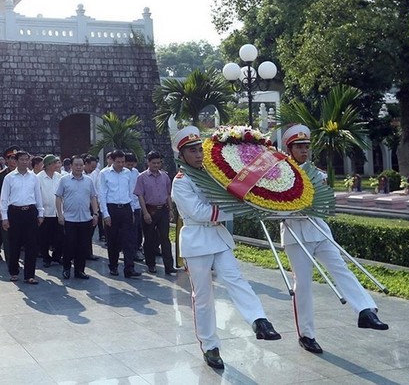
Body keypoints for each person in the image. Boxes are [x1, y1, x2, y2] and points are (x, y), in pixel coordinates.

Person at [172, 126, 281, 370]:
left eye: (200, 149)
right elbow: (199, 212)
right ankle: (210, 346)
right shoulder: (180, 182)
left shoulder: (212, 173)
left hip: (218, 237)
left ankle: (258, 320)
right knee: (203, 297)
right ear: (182, 155)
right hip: (197, 240)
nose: (199, 154)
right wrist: (235, 210)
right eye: (192, 151)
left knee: (235, 278)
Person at [280, 124, 389, 355]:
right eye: (299, 147)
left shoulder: (317, 174)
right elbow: (273, 208)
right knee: (304, 284)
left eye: (306, 146)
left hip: (319, 230)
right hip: (295, 234)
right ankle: (306, 335)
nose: (304, 150)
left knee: (341, 268)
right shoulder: (278, 175)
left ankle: (366, 310)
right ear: (289, 149)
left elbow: (327, 205)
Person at [0, 151, 45, 284]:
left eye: (27, 159)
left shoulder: (34, 177)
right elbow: (4, 198)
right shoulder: (9, 177)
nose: (25, 162)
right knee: (14, 243)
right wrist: (4, 217)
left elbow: (38, 196)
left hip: (30, 211)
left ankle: (29, 275)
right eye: (22, 159)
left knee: (32, 244)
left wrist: (40, 213)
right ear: (16, 161)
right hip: (14, 212)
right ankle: (14, 272)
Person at [98, 149, 141, 278]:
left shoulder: (127, 173)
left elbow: (131, 192)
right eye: (118, 162)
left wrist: (132, 210)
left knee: (129, 239)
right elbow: (102, 194)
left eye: (123, 161)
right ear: (112, 160)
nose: (121, 164)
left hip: (126, 208)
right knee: (113, 240)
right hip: (112, 209)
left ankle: (129, 268)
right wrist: (105, 214)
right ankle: (113, 265)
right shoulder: (104, 173)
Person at [56, 155, 99, 280]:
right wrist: (60, 214)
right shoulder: (64, 180)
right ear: (71, 166)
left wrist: (95, 213)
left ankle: (80, 270)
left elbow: (93, 197)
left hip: (85, 218)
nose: (79, 167)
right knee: (69, 245)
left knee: (83, 246)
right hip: (69, 219)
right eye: (76, 165)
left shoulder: (88, 180)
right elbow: (58, 197)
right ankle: (67, 268)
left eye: (81, 165)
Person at [134, 150, 176, 275]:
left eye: (158, 163)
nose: (156, 165)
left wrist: (170, 210)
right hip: (149, 209)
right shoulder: (141, 177)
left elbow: (168, 194)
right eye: (154, 163)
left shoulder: (165, 176)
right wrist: (145, 213)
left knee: (165, 238)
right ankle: (151, 264)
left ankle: (169, 266)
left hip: (163, 209)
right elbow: (140, 196)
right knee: (149, 239)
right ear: (148, 162)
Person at [37, 154, 64, 267]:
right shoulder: (39, 177)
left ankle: (57, 257)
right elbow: (37, 195)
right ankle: (46, 258)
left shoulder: (59, 177)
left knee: (60, 237)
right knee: (44, 238)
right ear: (47, 165)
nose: (55, 165)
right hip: (45, 212)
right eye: (53, 163)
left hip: (58, 212)